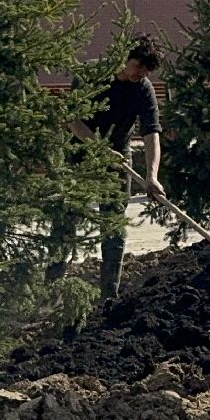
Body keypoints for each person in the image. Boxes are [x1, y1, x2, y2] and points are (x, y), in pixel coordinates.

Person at [67, 37, 164, 302]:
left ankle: (109, 295)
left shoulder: (143, 89)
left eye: (146, 70)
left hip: (118, 156)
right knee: (67, 217)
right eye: (137, 66)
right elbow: (73, 119)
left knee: (114, 225)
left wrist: (152, 176)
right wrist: (98, 148)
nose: (140, 73)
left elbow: (151, 133)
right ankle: (52, 284)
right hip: (80, 152)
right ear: (124, 58)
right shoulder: (91, 75)